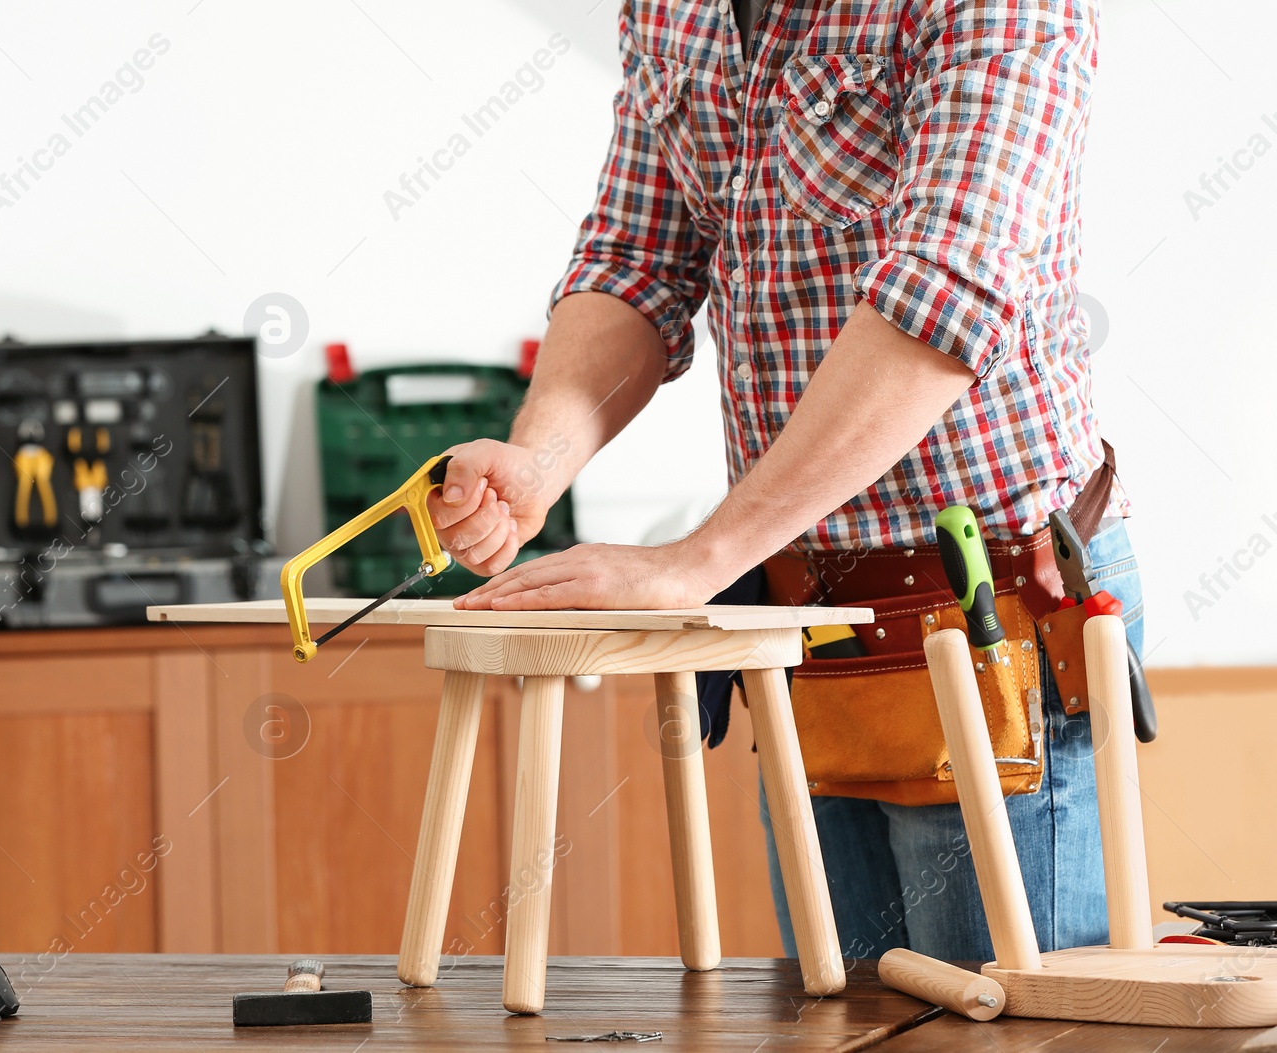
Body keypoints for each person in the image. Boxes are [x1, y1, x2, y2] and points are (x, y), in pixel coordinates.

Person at [424, 0, 1145, 962]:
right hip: (804, 623)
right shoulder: (675, 9)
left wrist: (698, 560)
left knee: (1009, 1029)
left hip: (997, 615)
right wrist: (540, 459)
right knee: (835, 1019)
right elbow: (636, 260)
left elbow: (947, 292)